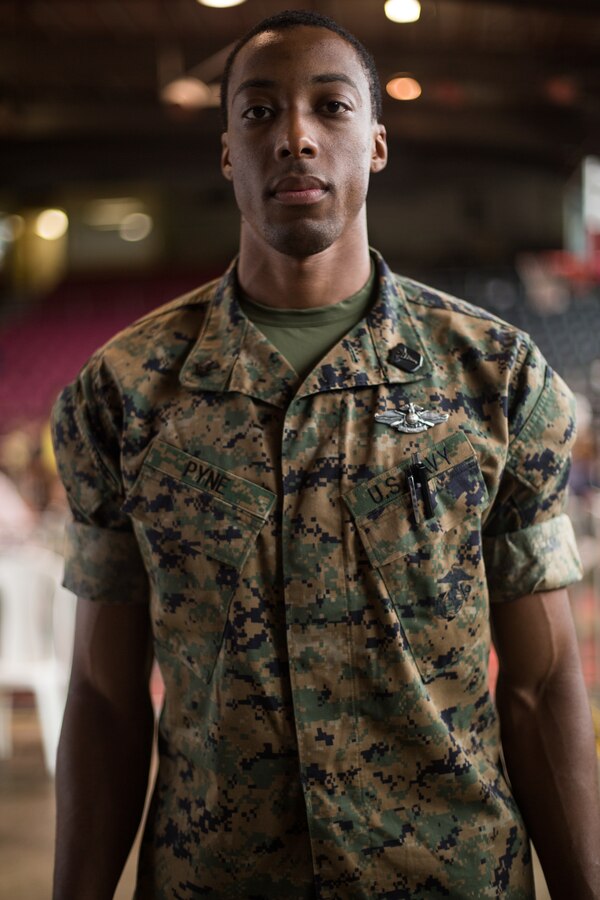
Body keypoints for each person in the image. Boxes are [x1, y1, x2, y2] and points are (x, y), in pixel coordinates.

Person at [51, 10, 600, 900]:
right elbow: (106, 697)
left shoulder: (493, 379)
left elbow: (539, 688)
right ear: (228, 151)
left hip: (448, 875)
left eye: (330, 108)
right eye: (259, 113)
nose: (296, 137)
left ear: (376, 143)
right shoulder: (126, 392)